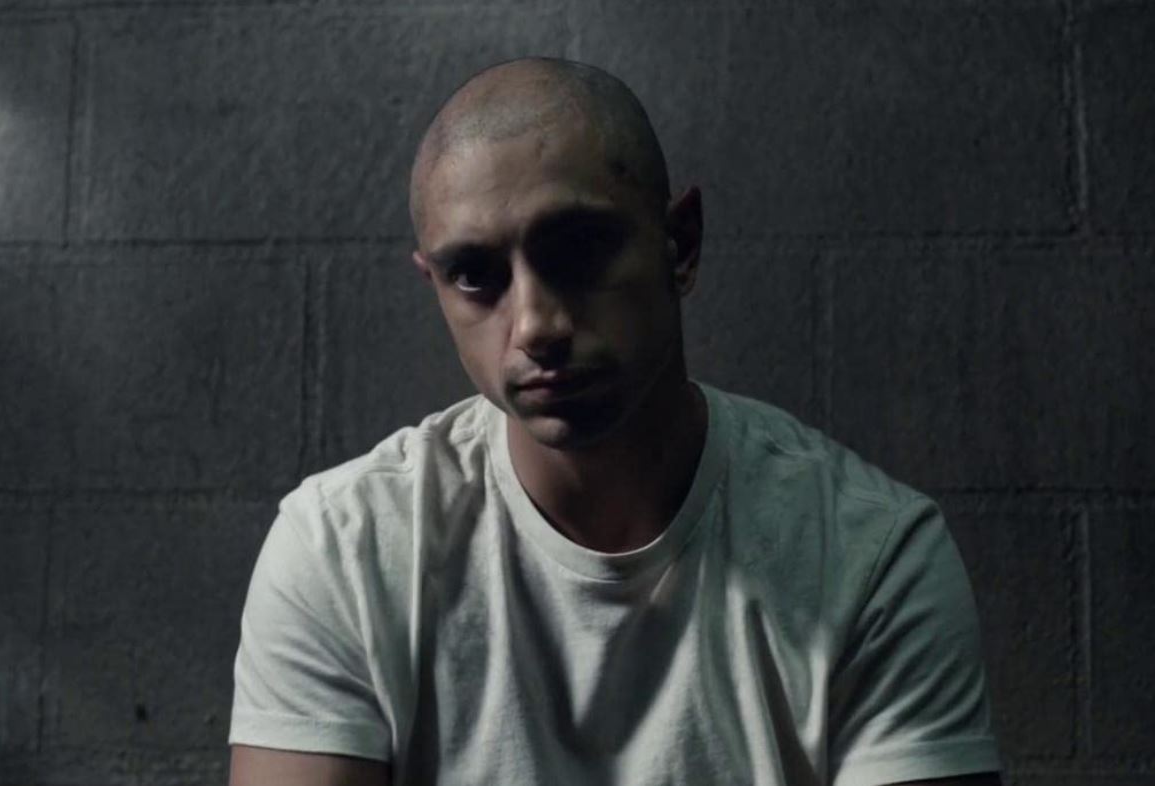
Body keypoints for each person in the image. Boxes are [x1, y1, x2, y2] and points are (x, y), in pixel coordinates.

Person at [227, 56, 1003, 786]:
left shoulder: (869, 559)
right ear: (433, 281)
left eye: (578, 250)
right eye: (474, 275)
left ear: (680, 245)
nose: (535, 325)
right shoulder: (345, 548)